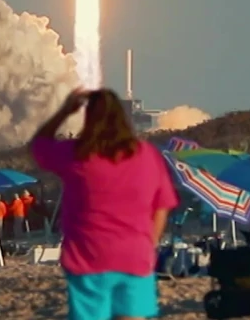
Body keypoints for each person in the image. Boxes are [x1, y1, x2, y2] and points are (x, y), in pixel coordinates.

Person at [30, 89, 179, 320]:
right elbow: (162, 206)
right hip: (135, 257)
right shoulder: (147, 155)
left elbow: (39, 146)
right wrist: (150, 242)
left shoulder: (77, 154)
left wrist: (65, 112)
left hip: (88, 258)